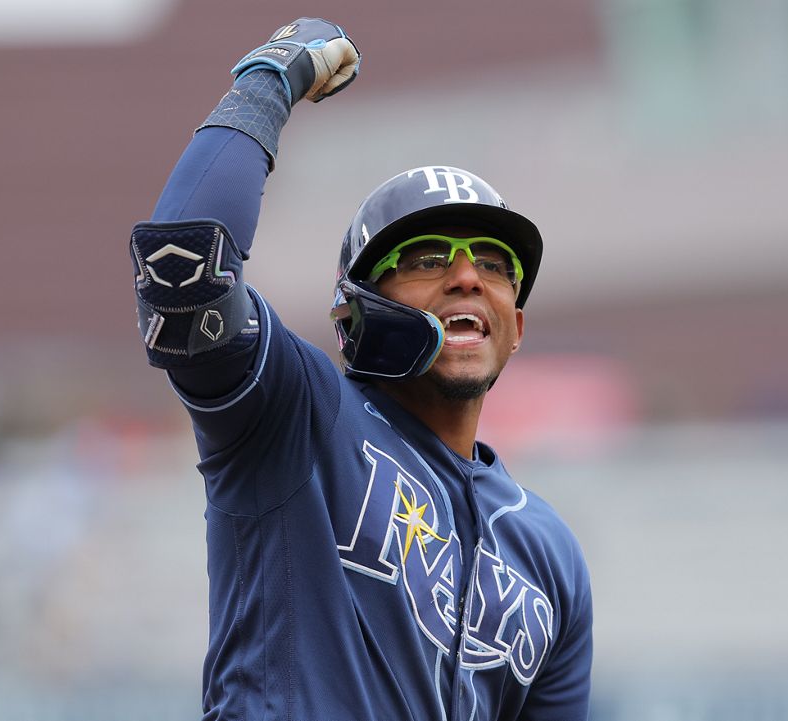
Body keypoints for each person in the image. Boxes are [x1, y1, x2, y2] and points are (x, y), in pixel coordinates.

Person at [128, 18, 592, 720]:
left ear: (516, 326)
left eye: (495, 265)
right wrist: (266, 84)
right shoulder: (296, 415)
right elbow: (183, 275)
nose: (468, 276)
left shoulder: (549, 552)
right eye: (428, 257)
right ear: (358, 310)